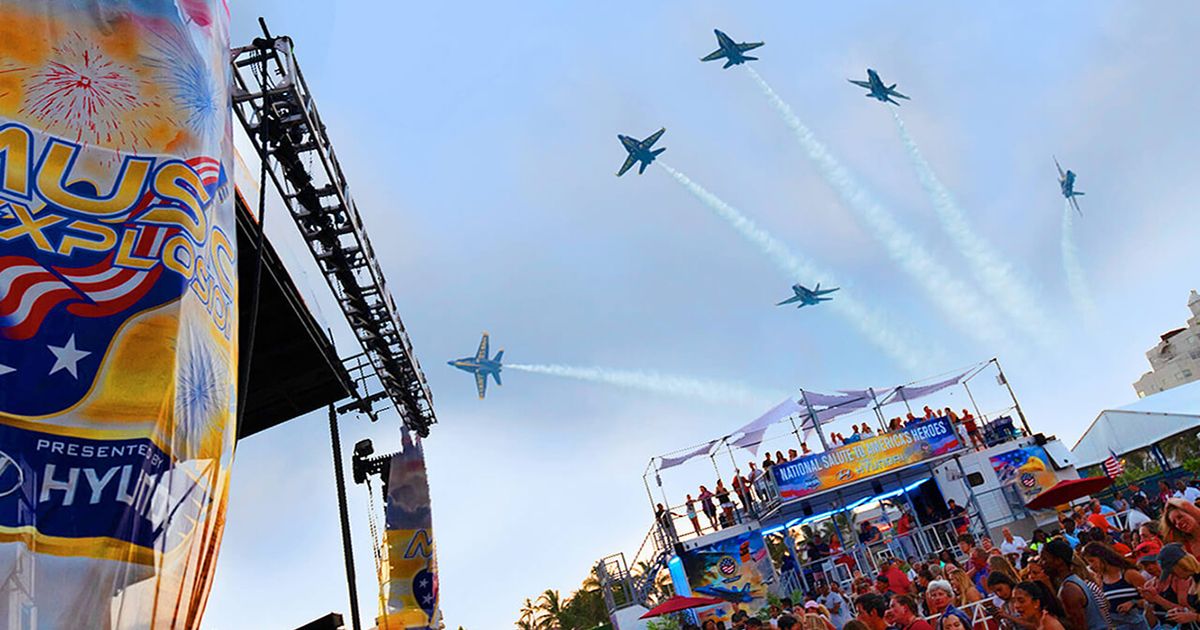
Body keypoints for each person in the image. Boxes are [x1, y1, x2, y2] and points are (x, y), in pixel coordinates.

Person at [1039, 538, 1112, 630]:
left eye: (1044, 559)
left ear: (1058, 560)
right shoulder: (1073, 581)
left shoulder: (1069, 590)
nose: (1041, 563)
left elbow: (1080, 626)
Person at [1080, 541, 1150, 630]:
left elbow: (1150, 599)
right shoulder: (1100, 580)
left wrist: (1133, 603)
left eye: (1092, 561)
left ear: (1102, 557)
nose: (1091, 566)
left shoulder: (1129, 574)